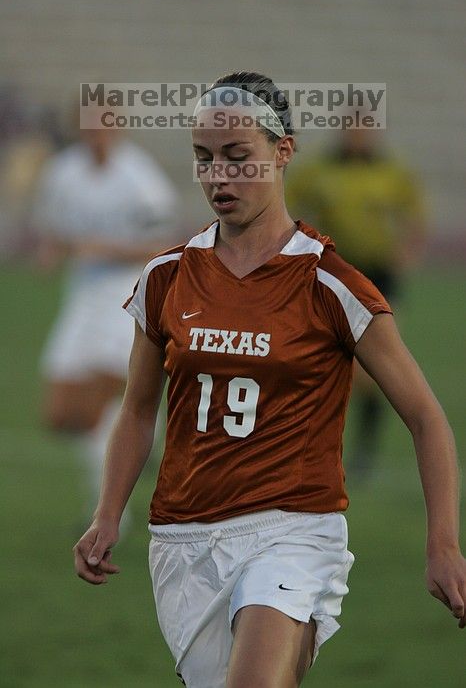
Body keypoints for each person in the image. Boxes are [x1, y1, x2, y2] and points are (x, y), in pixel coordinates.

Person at [73, 72, 465, 688]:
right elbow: (136, 410)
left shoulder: (331, 285)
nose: (218, 176)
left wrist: (443, 543)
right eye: (204, 159)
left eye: (238, 157)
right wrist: (106, 513)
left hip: (293, 532)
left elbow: (425, 417)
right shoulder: (166, 278)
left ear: (283, 151)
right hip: (182, 539)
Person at [34, 117, 181, 524]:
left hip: (125, 296)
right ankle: (143, 440)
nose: (96, 134)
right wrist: (50, 250)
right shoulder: (63, 172)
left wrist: (104, 249)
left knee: (98, 399)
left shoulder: (140, 178)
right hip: (80, 297)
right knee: (60, 414)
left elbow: (166, 244)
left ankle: (109, 501)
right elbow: (53, 227)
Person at [286, 126, 427, 481]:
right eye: (352, 130)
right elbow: (288, 204)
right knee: (323, 359)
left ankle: (362, 449)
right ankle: (316, 445)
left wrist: (404, 254)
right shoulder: (321, 169)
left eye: (364, 130)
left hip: (379, 276)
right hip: (336, 272)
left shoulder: (391, 172)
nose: (357, 137)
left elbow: (415, 214)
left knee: (374, 367)